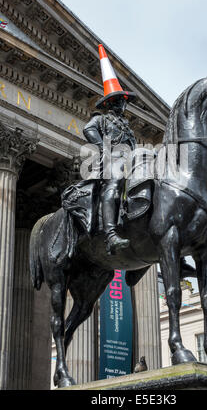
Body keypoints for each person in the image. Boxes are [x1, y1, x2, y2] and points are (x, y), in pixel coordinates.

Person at [83, 45, 136, 254]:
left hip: (130, 160)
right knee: (114, 183)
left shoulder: (127, 126)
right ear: (110, 103)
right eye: (119, 101)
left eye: (123, 101)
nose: (123, 105)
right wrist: (102, 149)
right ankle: (111, 233)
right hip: (112, 160)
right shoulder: (101, 119)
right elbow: (89, 130)